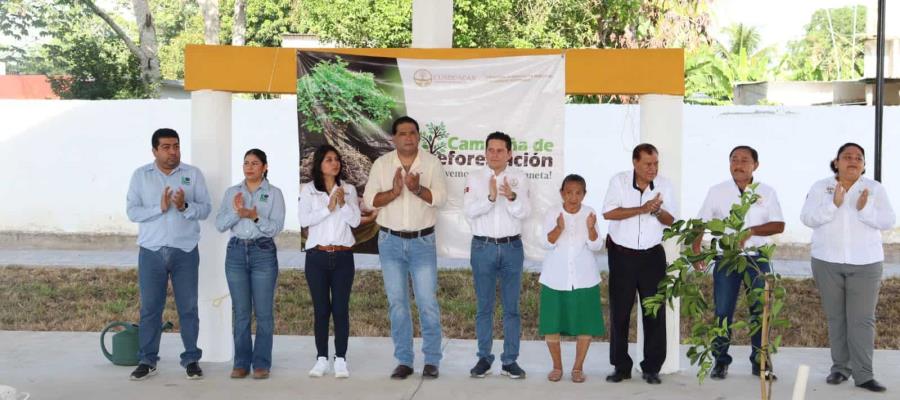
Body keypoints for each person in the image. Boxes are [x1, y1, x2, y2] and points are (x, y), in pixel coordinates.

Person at [800, 142, 895, 393]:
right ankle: (840, 368)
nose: (853, 160)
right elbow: (807, 218)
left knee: (862, 320)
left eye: (858, 157)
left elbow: (888, 221)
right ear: (836, 162)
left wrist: (865, 211)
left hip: (866, 263)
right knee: (836, 318)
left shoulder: (874, 189)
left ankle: (864, 375)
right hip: (826, 261)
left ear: (863, 165)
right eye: (847, 156)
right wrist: (833, 204)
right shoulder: (821, 187)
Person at [363, 116, 448, 380]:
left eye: (412, 133)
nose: (408, 137)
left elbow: (441, 199)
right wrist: (395, 192)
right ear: (394, 138)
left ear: (418, 137)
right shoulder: (382, 164)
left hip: (423, 242)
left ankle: (432, 360)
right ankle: (404, 360)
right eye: (402, 133)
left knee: (427, 303)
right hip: (390, 243)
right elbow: (369, 200)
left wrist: (417, 189)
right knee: (397, 303)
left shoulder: (431, 163)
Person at [125, 128, 211, 381]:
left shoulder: (192, 175)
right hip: (151, 251)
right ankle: (147, 360)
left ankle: (192, 359)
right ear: (154, 150)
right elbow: (132, 212)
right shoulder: (141, 176)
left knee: (188, 308)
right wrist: (159, 208)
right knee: (151, 308)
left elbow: (205, 209)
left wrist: (184, 206)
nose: (173, 151)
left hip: (185, 250)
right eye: (166, 147)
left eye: (176, 146)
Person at [694, 145, 784, 380]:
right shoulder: (717, 191)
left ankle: (760, 363)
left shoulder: (767, 192)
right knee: (723, 311)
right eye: (734, 159)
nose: (739, 164)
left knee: (760, 311)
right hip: (727, 259)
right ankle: (720, 361)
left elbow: (779, 225)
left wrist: (751, 231)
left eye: (745, 160)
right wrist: (696, 250)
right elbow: (701, 222)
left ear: (756, 165)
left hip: (757, 260)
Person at [602, 143, 676, 385]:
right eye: (647, 164)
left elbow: (671, 219)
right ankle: (621, 367)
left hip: (652, 256)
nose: (652, 168)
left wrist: (655, 211)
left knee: (654, 312)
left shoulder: (665, 185)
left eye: (655, 163)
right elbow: (609, 213)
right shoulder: (619, 182)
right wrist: (642, 208)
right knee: (620, 312)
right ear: (635, 163)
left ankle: (652, 367)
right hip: (622, 255)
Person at [463, 131, 530, 379]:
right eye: (490, 150)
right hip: (483, 248)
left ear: (509, 153)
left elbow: (525, 212)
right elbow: (469, 211)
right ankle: (484, 358)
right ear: (485, 152)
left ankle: (510, 360)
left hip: (512, 248)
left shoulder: (519, 178)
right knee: (484, 306)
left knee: (511, 308)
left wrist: (510, 197)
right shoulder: (475, 177)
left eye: (500, 150)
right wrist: (491, 198)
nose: (495, 154)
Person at [215, 148, 286, 380]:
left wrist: (254, 217)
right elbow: (220, 224)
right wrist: (238, 213)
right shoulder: (232, 192)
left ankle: (262, 363)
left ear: (265, 167)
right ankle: (241, 362)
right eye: (246, 162)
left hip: (262, 252)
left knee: (264, 312)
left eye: (255, 163)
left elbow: (276, 227)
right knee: (241, 312)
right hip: (236, 252)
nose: (249, 167)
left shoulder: (274, 193)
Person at [299, 145, 361, 379]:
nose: (334, 163)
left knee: (340, 309)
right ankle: (321, 358)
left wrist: (343, 204)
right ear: (319, 164)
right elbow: (304, 219)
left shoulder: (349, 189)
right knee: (321, 309)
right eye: (328, 159)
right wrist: (329, 208)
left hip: (343, 257)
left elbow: (355, 222)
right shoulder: (308, 190)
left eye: (336, 159)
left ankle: (341, 359)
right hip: (317, 257)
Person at [539, 174, 605, 383]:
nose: (573, 197)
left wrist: (592, 227)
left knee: (585, 324)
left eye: (578, 193)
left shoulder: (590, 213)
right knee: (551, 324)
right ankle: (557, 367)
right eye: (569, 192)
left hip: (584, 277)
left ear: (584, 194)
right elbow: (546, 243)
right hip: (554, 277)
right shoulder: (552, 212)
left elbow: (596, 245)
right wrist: (559, 227)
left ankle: (578, 368)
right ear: (562, 193)